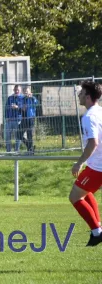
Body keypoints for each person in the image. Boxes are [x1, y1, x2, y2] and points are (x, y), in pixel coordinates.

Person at [69, 80, 102, 247]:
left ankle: (97, 231)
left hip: (98, 167)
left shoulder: (89, 117)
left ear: (88, 97)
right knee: (84, 190)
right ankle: (97, 229)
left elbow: (93, 143)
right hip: (97, 165)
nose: (79, 95)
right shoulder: (100, 112)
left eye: (81, 93)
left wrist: (79, 162)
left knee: (74, 196)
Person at [5, 85, 23, 153]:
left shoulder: (22, 98)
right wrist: (6, 117)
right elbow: (6, 108)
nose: (17, 91)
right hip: (9, 120)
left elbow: (24, 108)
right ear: (13, 90)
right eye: (15, 90)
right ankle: (8, 151)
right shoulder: (10, 98)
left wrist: (17, 107)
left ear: (20, 90)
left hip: (17, 120)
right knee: (7, 136)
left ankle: (16, 150)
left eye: (18, 90)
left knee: (17, 136)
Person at [22, 86, 38, 155]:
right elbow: (21, 107)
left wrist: (31, 97)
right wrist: (22, 108)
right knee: (18, 134)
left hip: (30, 118)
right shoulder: (23, 99)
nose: (26, 93)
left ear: (30, 92)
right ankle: (30, 146)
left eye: (27, 91)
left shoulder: (32, 99)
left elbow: (37, 103)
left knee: (29, 135)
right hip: (23, 119)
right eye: (25, 92)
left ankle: (30, 151)